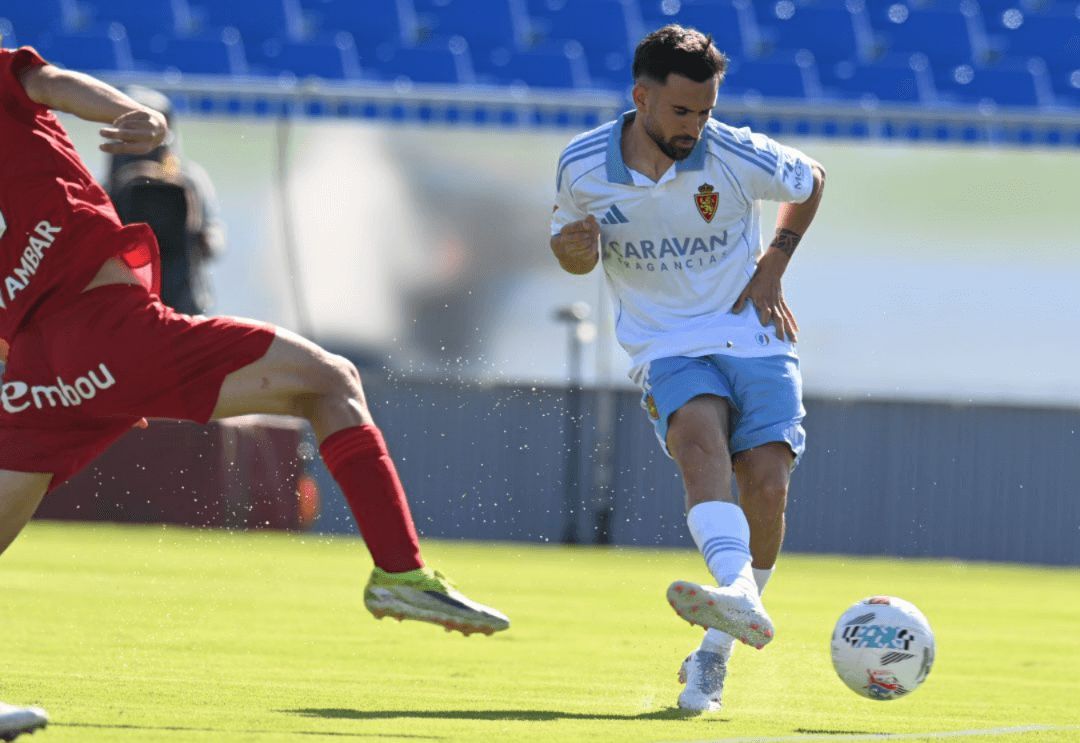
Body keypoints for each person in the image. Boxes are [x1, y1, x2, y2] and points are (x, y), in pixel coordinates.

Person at [0, 45, 509, 666]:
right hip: (109, 331)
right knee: (331, 380)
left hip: (40, 366)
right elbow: (48, 81)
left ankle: (400, 576)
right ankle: (400, 573)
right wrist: (135, 111)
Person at [549, 26, 825, 713]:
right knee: (698, 444)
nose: (696, 125)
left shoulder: (730, 151)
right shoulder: (581, 165)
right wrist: (577, 251)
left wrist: (774, 263)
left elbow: (811, 178)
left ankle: (716, 649)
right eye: (682, 112)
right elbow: (571, 250)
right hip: (664, 342)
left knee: (765, 487)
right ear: (641, 96)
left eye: (706, 110)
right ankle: (735, 589)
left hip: (755, 334)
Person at [105, 85, 224, 316]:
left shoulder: (190, 179)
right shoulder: (108, 187)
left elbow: (214, 234)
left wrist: (204, 239)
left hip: (183, 301)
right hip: (127, 305)